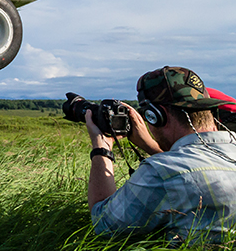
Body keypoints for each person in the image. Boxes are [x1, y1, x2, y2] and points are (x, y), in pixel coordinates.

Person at [86, 66, 236, 245]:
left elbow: (104, 225)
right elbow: (195, 168)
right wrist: (149, 145)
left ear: (156, 115)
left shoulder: (161, 171)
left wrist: (101, 147)